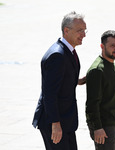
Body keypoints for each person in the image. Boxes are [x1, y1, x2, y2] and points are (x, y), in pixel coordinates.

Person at [32, 11, 87, 150]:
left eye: (85, 30)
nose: (84, 35)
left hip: (65, 120)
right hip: (55, 122)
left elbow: (61, 79)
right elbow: (49, 93)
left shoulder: (69, 51)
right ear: (66, 30)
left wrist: (79, 81)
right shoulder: (57, 55)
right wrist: (55, 124)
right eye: (80, 31)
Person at [85, 30, 115, 150]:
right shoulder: (97, 70)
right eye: (112, 45)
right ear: (102, 46)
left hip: (114, 125)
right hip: (104, 128)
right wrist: (97, 128)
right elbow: (91, 104)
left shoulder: (114, 66)